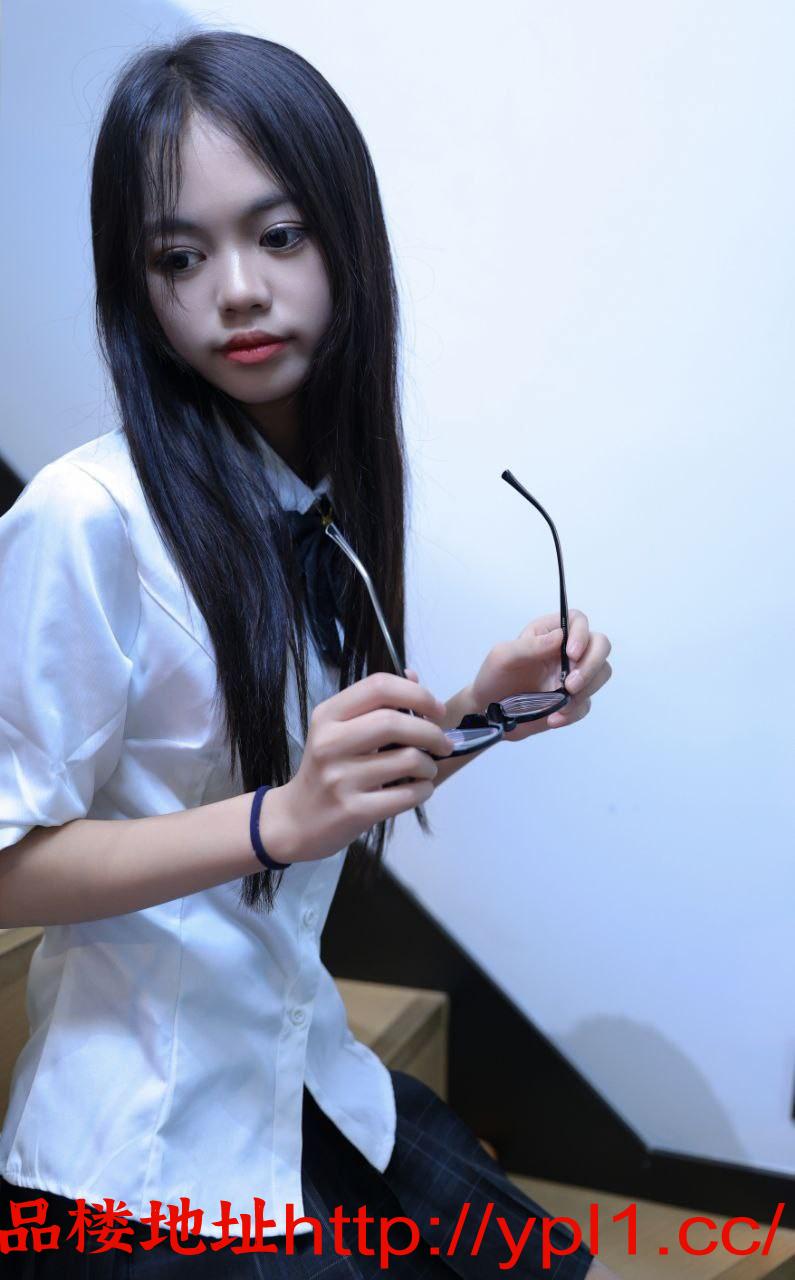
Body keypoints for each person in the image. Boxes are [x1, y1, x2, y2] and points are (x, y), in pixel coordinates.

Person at [0, 28, 615, 1279]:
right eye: (180, 255)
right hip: (144, 1166)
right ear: (137, 284)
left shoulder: (308, 499)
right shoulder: (84, 515)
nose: (235, 290)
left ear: (346, 240)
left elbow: (314, 791)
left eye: (278, 235)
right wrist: (277, 819)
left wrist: (479, 708)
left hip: (302, 1076)